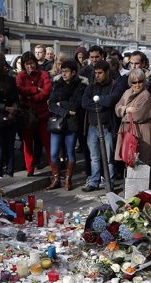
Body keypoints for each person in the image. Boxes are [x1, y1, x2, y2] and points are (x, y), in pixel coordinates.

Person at [81, 60, 121, 191]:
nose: (97, 75)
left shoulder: (114, 85)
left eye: (100, 73)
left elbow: (111, 100)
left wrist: (99, 101)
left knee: (109, 158)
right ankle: (94, 181)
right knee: (94, 157)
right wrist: (99, 103)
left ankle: (108, 182)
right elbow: (84, 103)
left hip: (107, 127)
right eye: (96, 73)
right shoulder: (91, 87)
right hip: (93, 126)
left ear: (107, 72)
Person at [47, 60, 87, 190]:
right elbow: (51, 104)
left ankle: (68, 179)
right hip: (58, 123)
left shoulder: (80, 86)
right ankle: (56, 178)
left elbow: (76, 106)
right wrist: (65, 111)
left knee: (70, 152)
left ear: (74, 72)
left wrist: (61, 104)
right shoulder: (57, 84)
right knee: (53, 153)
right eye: (62, 71)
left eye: (67, 71)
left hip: (72, 124)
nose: (64, 74)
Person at [16, 51, 52, 176]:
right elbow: (19, 89)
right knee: (27, 144)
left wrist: (32, 98)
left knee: (47, 143)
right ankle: (29, 169)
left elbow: (47, 91)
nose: (30, 66)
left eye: (31, 63)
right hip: (27, 115)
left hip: (42, 114)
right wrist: (35, 89)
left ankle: (54, 169)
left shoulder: (43, 74)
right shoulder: (21, 75)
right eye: (27, 64)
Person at [115, 68, 151, 169]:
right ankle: (130, 184)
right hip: (128, 131)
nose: (137, 85)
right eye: (134, 82)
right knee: (129, 160)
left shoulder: (145, 95)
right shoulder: (127, 92)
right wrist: (127, 109)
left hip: (141, 133)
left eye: (140, 81)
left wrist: (123, 113)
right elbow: (117, 108)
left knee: (140, 163)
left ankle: (140, 185)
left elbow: (138, 115)